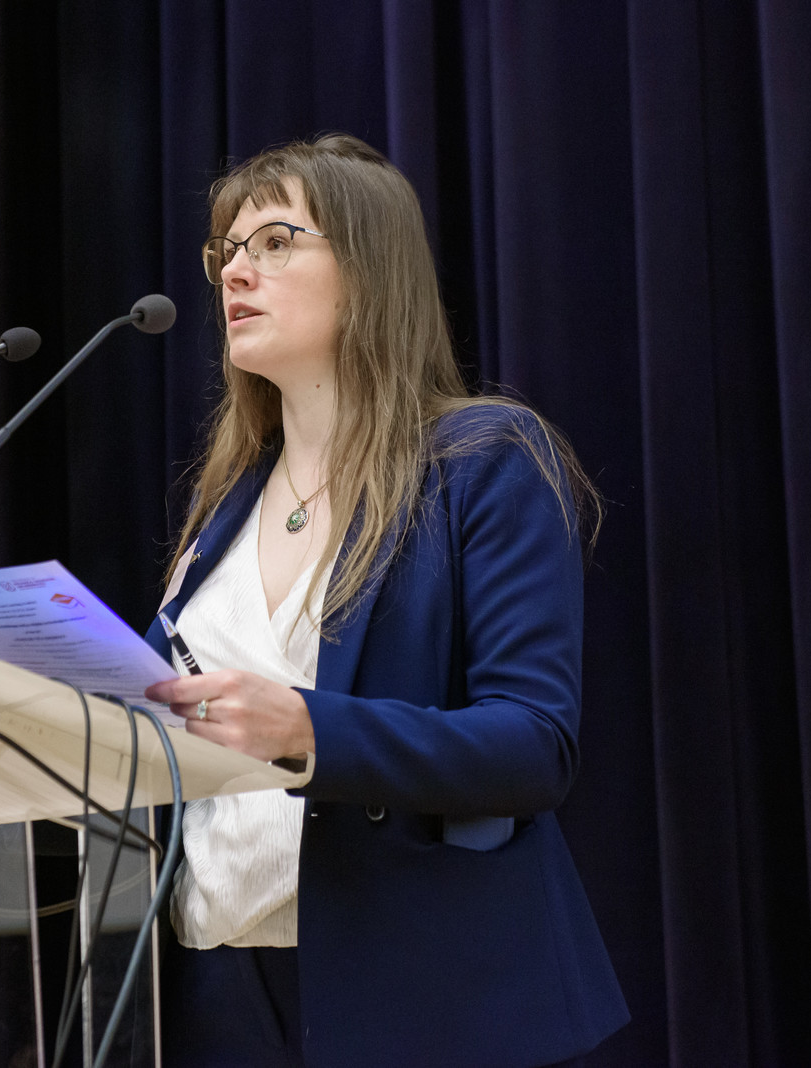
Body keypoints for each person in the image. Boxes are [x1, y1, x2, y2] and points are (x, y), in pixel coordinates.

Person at [142, 135, 629, 1067]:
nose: (236, 271)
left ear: (367, 272)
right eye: (227, 252)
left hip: (420, 991)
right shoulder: (226, 501)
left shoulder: (482, 462)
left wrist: (308, 730)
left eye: (275, 242)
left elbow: (533, 743)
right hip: (219, 993)